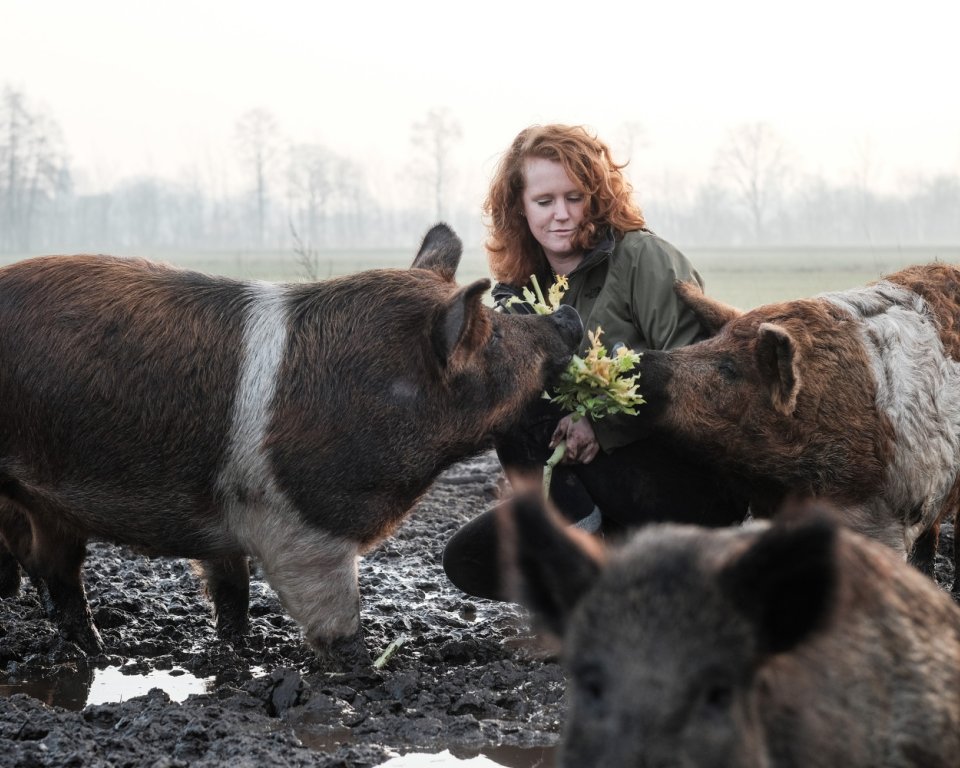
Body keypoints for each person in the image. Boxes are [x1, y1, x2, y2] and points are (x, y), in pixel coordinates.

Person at [442, 124, 748, 600]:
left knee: (526, 412)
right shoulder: (519, 292)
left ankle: (587, 579)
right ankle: (602, 554)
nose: (560, 215)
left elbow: (699, 376)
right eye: (544, 202)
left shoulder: (644, 259)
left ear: (597, 198)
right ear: (520, 208)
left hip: (684, 481)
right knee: (468, 560)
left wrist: (600, 427)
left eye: (574, 197)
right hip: (591, 490)